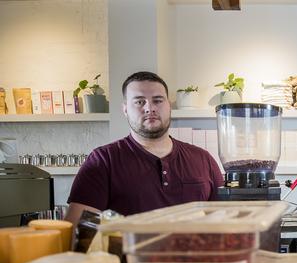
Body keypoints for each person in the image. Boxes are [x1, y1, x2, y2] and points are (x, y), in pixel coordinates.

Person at [65, 71, 224, 226]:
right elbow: (78, 233)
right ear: (125, 109)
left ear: (169, 106)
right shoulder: (103, 161)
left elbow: (225, 221)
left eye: (158, 100)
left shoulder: (203, 159)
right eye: (139, 101)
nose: (150, 108)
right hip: (131, 253)